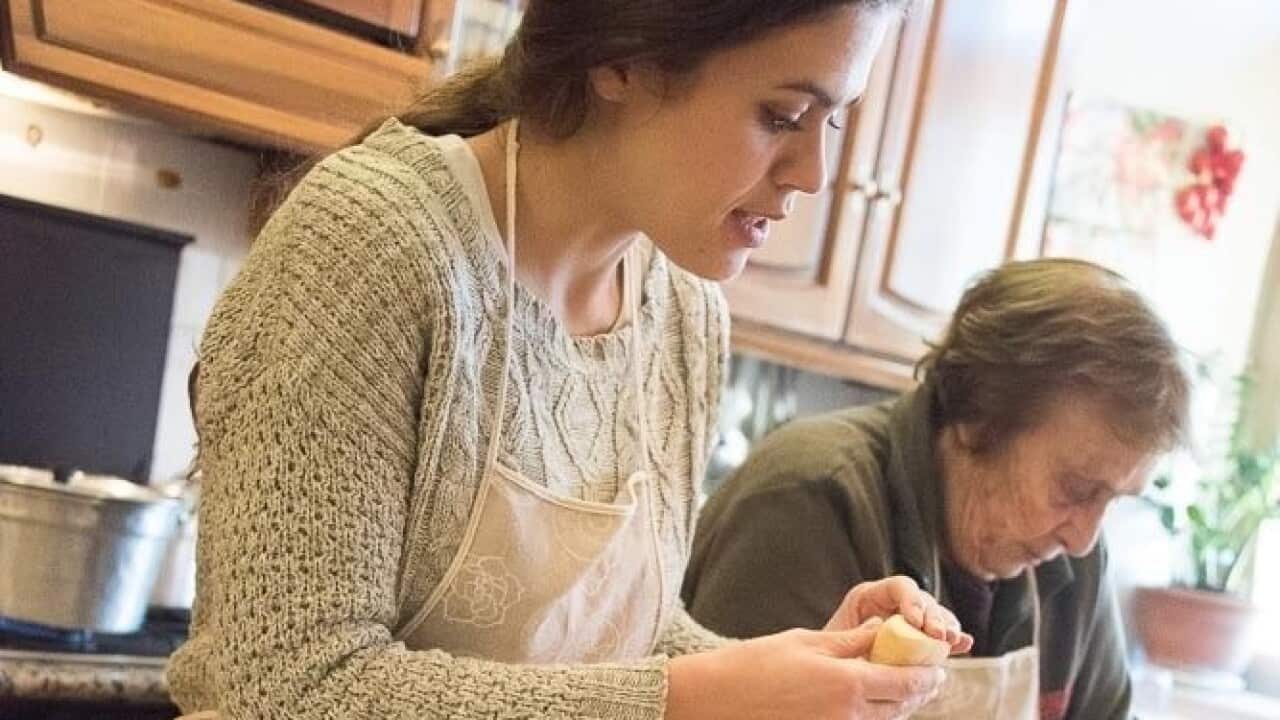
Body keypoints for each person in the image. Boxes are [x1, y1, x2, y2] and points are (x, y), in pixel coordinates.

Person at [167, 2, 974, 719]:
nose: (814, 175)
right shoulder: (374, 244)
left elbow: (620, 644)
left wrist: (796, 672)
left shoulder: (684, 312)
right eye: (784, 115)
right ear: (623, 59)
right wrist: (695, 698)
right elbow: (286, 686)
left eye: (832, 123)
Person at [682, 258, 1191, 720]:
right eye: (1076, 487)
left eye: (1114, 499)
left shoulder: (1076, 560)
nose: (1083, 538)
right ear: (980, 418)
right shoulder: (810, 499)